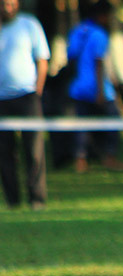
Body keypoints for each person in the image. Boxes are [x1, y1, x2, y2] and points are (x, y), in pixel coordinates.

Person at [0, 0, 49, 210]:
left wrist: (37, 91)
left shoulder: (30, 24)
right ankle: (12, 201)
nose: (7, 8)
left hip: (27, 96)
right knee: (4, 153)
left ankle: (37, 199)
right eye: (3, 4)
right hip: (1, 100)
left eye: (11, 4)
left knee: (34, 151)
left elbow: (42, 60)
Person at [66, 0, 123, 173]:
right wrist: (100, 91)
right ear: (102, 15)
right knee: (113, 121)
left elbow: (71, 57)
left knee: (82, 126)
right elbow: (99, 63)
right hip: (98, 88)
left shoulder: (77, 31)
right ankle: (110, 158)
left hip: (78, 87)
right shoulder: (100, 34)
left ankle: (80, 161)